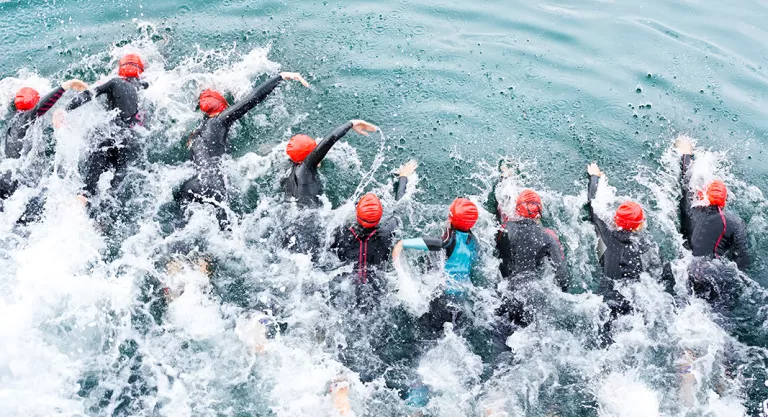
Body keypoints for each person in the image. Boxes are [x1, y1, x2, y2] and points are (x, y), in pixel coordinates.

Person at [174, 71, 310, 229]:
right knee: (227, 234)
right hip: (215, 184)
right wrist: (280, 77)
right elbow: (251, 100)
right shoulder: (219, 121)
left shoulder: (196, 133)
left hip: (192, 184)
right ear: (222, 107)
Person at [57, 53, 149, 201]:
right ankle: (103, 221)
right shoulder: (144, 89)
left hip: (111, 137)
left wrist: (66, 109)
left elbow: (88, 95)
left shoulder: (115, 82)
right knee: (114, 190)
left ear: (121, 70)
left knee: (89, 186)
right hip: (130, 142)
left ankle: (82, 202)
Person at [586, 162, 660, 343]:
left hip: (607, 296)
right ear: (640, 225)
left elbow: (592, 206)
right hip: (633, 298)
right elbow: (657, 271)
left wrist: (595, 177)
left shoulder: (607, 234)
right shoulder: (646, 243)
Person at [489, 167, 569, 328]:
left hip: (506, 289)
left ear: (517, 209)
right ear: (539, 214)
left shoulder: (505, 227)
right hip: (532, 294)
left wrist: (504, 177)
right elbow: (562, 276)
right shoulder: (548, 235)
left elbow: (499, 203)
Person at [674, 136, 750, 305]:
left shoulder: (691, 209)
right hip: (716, 273)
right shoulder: (735, 222)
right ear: (725, 202)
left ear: (702, 197)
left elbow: (686, 179)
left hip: (688, 267)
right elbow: (743, 259)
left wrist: (685, 151)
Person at [393, 197, 480, 332]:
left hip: (443, 298)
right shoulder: (473, 241)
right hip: (460, 299)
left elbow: (436, 243)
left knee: (426, 334)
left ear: (451, 219)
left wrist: (403, 243)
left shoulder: (450, 239)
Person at [1, 80, 89, 210]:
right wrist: (66, 86)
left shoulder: (13, 123)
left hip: (7, 177)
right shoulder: (25, 119)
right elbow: (40, 108)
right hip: (16, 183)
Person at [330, 160, 416, 289]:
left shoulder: (342, 231)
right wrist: (403, 177)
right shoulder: (387, 230)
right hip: (377, 287)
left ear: (357, 213)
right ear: (380, 216)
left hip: (346, 286)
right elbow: (400, 207)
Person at [282, 119, 378, 207]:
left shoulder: (291, 169)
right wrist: (351, 123)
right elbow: (330, 139)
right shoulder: (307, 167)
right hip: (312, 219)